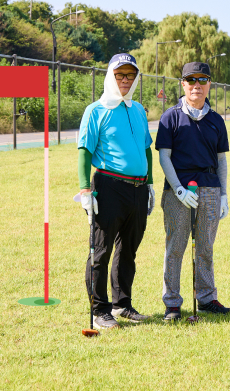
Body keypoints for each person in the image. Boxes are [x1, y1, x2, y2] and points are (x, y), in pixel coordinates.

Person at [76, 53, 154, 329]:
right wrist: (85, 189)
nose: (125, 80)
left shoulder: (138, 109)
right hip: (108, 187)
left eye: (130, 76)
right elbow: (84, 152)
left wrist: (151, 183)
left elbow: (146, 148)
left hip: (138, 188)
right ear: (110, 76)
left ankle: (122, 304)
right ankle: (100, 310)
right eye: (120, 75)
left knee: (128, 250)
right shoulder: (96, 110)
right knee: (102, 249)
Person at [155, 62, 230, 321]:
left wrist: (223, 194)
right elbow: (164, 157)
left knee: (206, 247)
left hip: (209, 188)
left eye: (202, 80)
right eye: (191, 80)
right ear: (183, 84)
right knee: (175, 247)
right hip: (179, 190)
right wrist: (177, 189)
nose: (196, 85)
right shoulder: (171, 116)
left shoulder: (216, 120)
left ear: (209, 84)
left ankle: (207, 298)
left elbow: (221, 160)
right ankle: (172, 303)